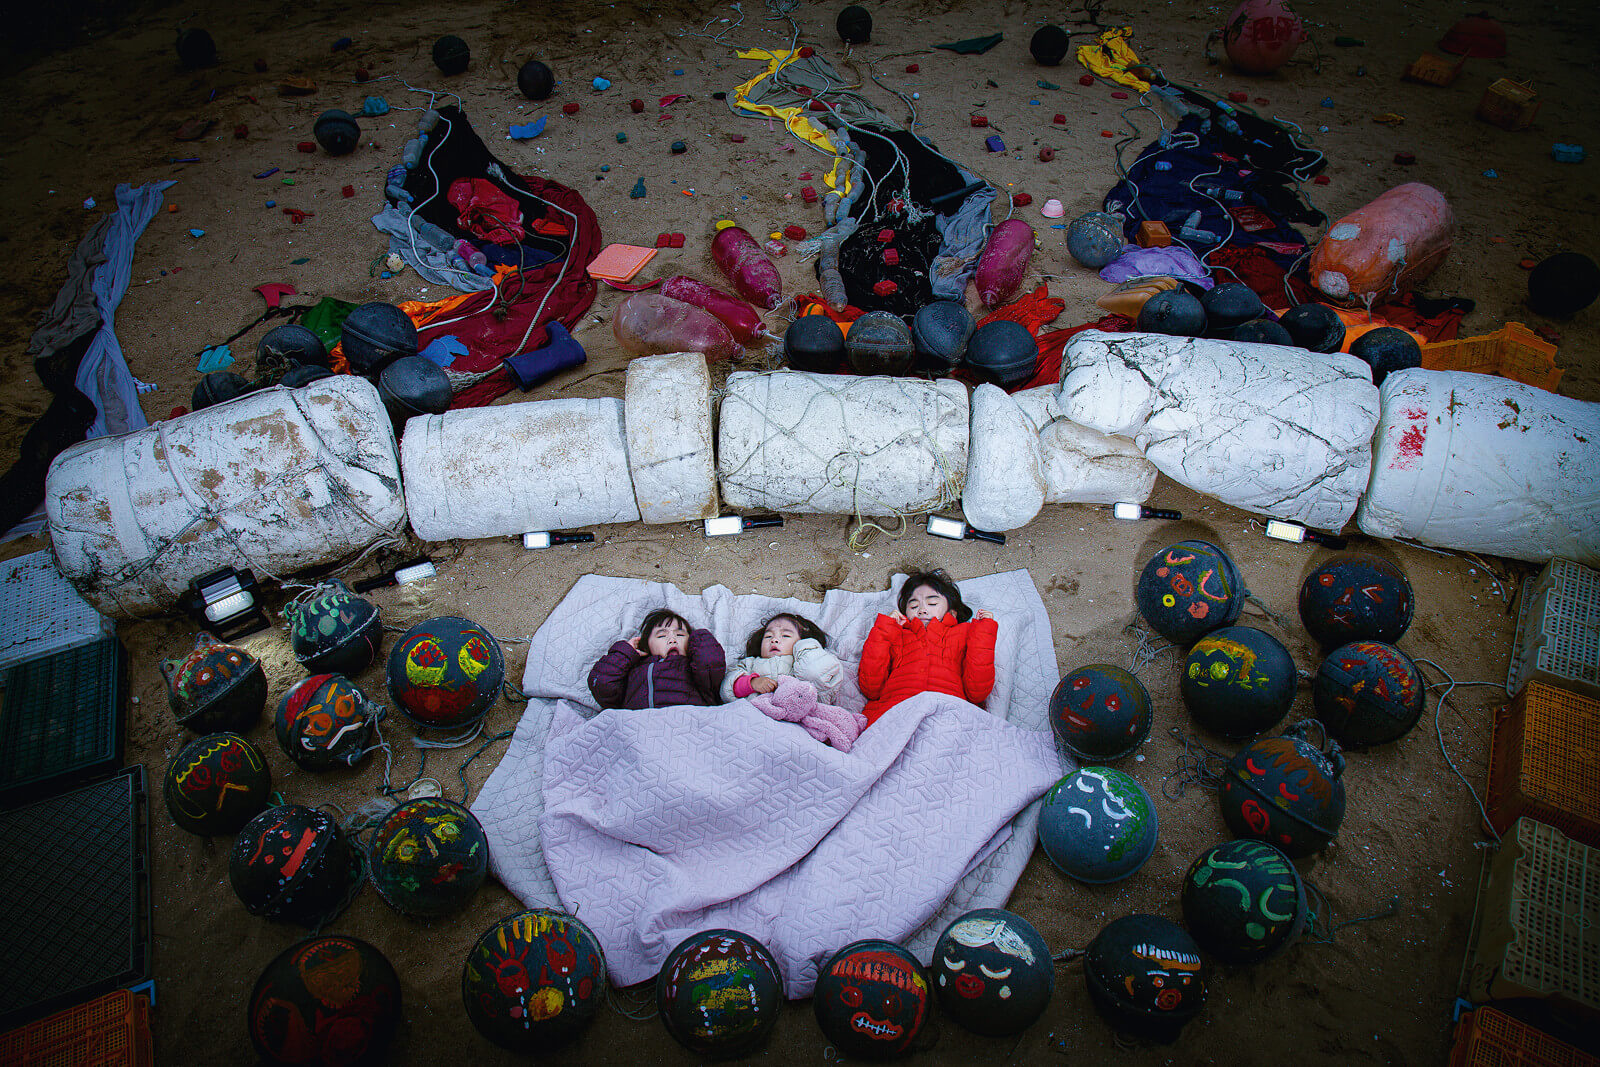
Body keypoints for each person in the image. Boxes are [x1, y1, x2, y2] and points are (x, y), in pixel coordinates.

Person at [857, 570, 997, 725]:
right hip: (895, 714)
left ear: (953, 612)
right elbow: (871, 688)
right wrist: (884, 630)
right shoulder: (896, 635)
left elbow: (977, 692)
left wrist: (984, 632)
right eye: (914, 605)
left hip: (950, 717)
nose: (922, 609)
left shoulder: (965, 633)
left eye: (932, 603)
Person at [587, 609, 726, 710]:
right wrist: (625, 654)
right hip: (639, 730)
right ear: (646, 645)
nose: (672, 640)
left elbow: (711, 662)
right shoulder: (635, 670)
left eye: (680, 634)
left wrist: (699, 636)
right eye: (661, 636)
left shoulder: (697, 669)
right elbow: (601, 685)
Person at [720, 612, 845, 702]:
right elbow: (727, 688)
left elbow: (820, 677)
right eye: (768, 636)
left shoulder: (801, 664)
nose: (774, 640)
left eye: (785, 636)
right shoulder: (750, 664)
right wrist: (752, 683)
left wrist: (806, 646)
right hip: (756, 717)